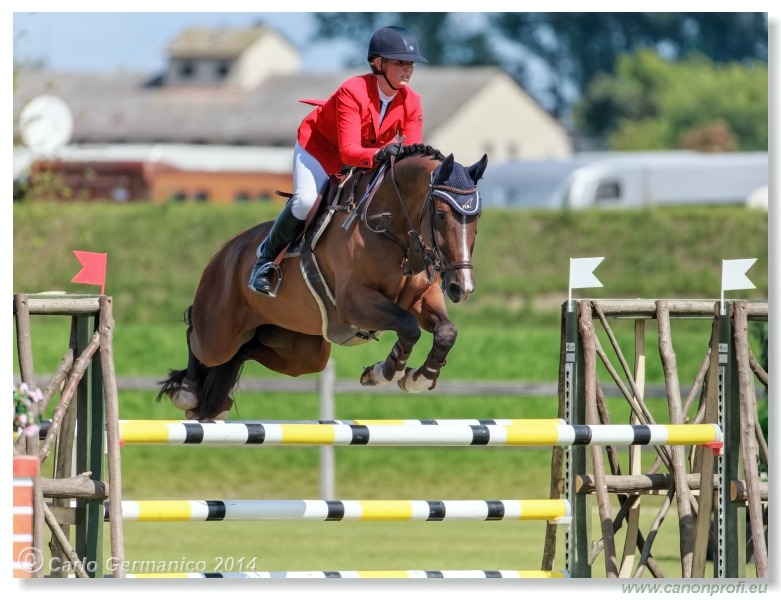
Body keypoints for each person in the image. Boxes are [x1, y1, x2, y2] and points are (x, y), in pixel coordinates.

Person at [248, 25, 429, 295]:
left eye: (411, 64)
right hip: (320, 149)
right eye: (400, 62)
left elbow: (412, 152)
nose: (408, 70)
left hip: (367, 159)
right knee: (306, 200)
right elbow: (347, 153)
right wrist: (380, 154)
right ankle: (264, 261)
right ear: (378, 64)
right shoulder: (353, 90)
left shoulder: (412, 101)